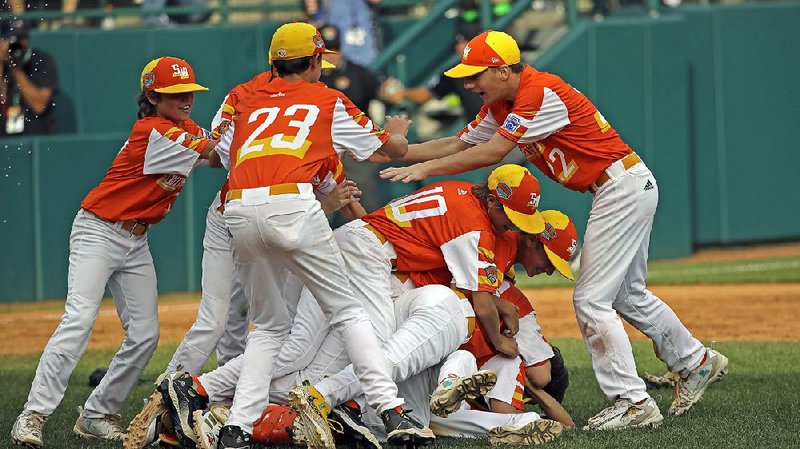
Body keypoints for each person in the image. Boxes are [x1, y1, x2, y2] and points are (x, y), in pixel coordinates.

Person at [379, 30, 729, 430]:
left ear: (504, 69)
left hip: (621, 186)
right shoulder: (503, 104)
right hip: (620, 186)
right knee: (627, 294)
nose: (469, 84)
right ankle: (695, 361)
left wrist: (422, 170)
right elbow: (457, 145)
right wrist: (398, 152)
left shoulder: (539, 92)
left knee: (591, 300)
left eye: (477, 75)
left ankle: (632, 402)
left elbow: (492, 153)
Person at [156, 22, 431, 449]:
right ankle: (392, 411)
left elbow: (222, 156)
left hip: (240, 207)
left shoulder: (241, 97)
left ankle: (236, 430)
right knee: (348, 312)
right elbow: (390, 150)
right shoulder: (328, 98)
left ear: (274, 63)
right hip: (293, 203)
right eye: (322, 61)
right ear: (316, 60)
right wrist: (396, 132)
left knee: (267, 327)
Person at [9, 56, 218, 448]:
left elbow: (214, 154)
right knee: (79, 319)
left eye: (189, 91)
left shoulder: (182, 127)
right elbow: (213, 151)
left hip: (136, 239)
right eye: (176, 93)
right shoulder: (153, 130)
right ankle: (32, 416)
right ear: (153, 97)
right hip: (99, 231)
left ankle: (97, 413)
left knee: (145, 335)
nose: (187, 98)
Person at [318, 23, 386, 213]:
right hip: (322, 148)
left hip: (354, 147)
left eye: (336, 48)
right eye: (327, 50)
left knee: (366, 202)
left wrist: (390, 90)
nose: (332, 54)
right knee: (321, 207)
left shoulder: (358, 73)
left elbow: (383, 89)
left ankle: (374, 239)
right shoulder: (310, 76)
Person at [0, 18, 59, 136]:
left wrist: (15, 68)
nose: (18, 43)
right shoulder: (2, 62)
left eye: (23, 38)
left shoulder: (41, 60)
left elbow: (39, 106)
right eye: (13, 39)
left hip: (36, 137)